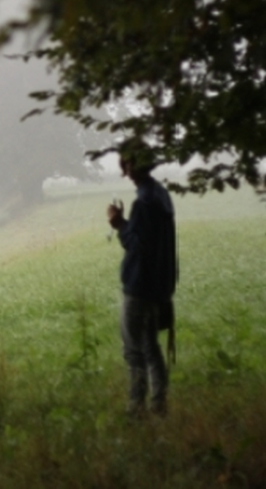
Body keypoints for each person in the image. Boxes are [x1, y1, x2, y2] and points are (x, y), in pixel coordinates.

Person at [107, 140, 178, 417]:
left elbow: (137, 246)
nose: (124, 169)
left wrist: (118, 223)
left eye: (125, 163)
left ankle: (136, 410)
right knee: (151, 349)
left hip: (138, 288)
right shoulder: (161, 195)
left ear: (130, 165)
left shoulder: (143, 203)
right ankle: (159, 405)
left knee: (134, 352)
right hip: (159, 288)